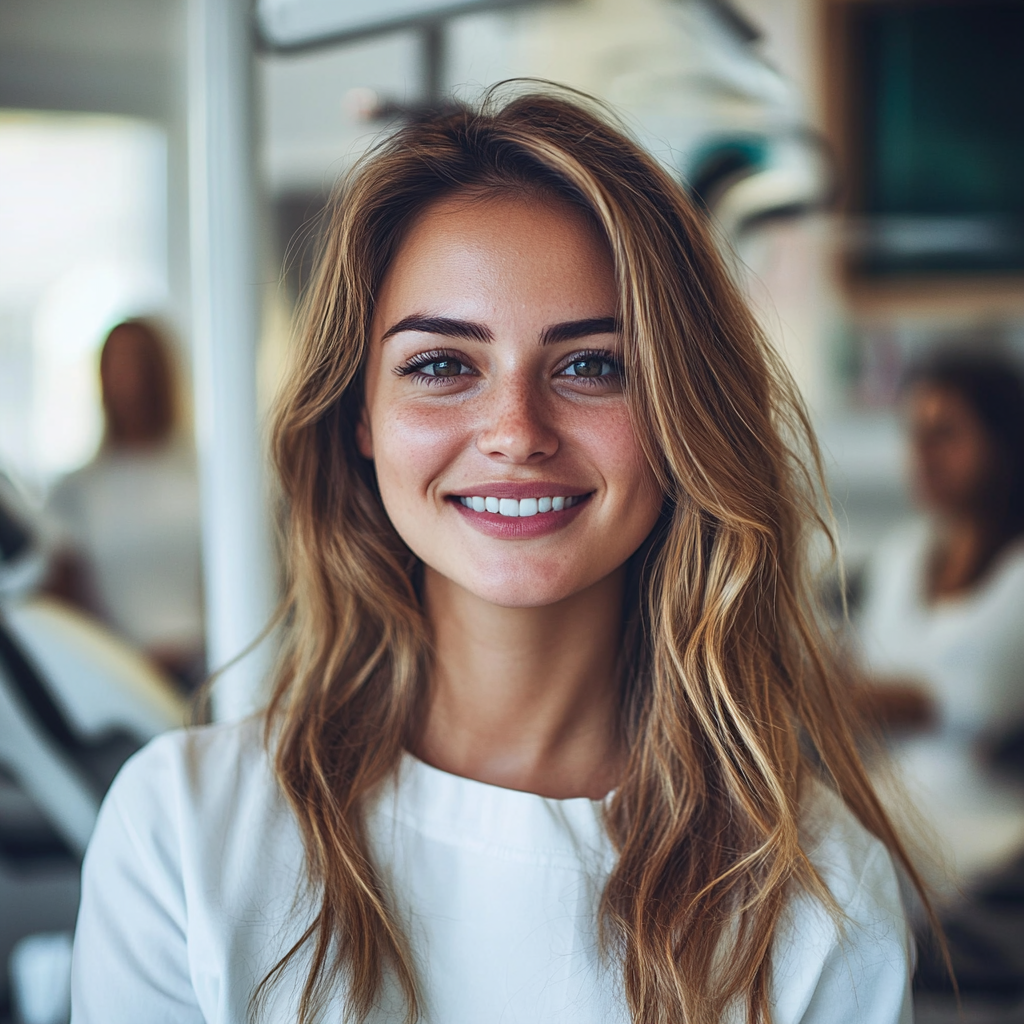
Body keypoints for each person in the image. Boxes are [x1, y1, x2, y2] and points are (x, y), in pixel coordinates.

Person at [71, 87, 923, 1024]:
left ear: (683, 415)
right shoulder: (182, 836)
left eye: (594, 364)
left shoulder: (821, 900)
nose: (516, 433)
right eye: (442, 365)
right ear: (361, 416)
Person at [856, 350, 1024, 889]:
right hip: (889, 808)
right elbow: (858, 675)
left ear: (1004, 443)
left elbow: (975, 700)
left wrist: (821, 690)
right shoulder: (901, 554)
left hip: (991, 835)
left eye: (946, 434)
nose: (922, 455)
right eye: (915, 434)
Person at [46, 319, 204, 688]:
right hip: (120, 683)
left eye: (138, 362)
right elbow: (65, 612)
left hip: (205, 670)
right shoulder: (76, 491)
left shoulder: (204, 476)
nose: (128, 378)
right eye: (116, 364)